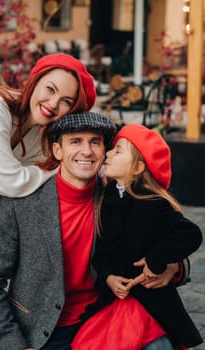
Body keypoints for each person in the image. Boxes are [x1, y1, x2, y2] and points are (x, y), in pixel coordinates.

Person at [0, 113, 191, 350]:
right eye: (76, 141)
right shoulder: (21, 202)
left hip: (101, 319)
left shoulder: (116, 197)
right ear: (58, 151)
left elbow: (164, 237)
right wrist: (13, 344)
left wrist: (173, 267)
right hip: (39, 332)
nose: (87, 151)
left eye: (95, 142)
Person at [72, 124, 203, 350]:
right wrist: (108, 278)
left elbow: (190, 234)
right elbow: (101, 255)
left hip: (151, 304)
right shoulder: (108, 201)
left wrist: (156, 260)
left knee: (156, 345)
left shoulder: (153, 203)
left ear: (137, 167)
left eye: (118, 150)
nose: (108, 153)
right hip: (115, 303)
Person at [0, 52, 96, 197]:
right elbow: (12, 184)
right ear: (34, 82)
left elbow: (59, 161)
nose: (53, 103)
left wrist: (94, 167)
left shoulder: (37, 133)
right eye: (50, 89)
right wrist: (62, 169)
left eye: (66, 101)